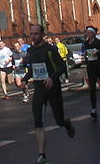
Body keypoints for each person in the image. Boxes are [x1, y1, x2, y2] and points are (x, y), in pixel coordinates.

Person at [22, 24, 74, 164]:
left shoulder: (50, 50)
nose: (33, 37)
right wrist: (25, 79)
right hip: (39, 88)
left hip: (53, 88)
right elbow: (33, 69)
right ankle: (42, 155)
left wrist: (52, 78)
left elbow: (62, 67)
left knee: (58, 120)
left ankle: (66, 123)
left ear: (42, 35)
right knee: (38, 122)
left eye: (36, 34)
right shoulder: (31, 51)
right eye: (31, 34)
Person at [80, 26, 100, 118]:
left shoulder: (98, 42)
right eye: (86, 33)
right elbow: (84, 53)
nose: (88, 34)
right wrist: (85, 57)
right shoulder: (85, 43)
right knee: (92, 89)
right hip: (91, 68)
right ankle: (94, 109)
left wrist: (98, 52)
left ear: (93, 34)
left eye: (89, 33)